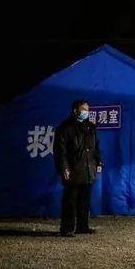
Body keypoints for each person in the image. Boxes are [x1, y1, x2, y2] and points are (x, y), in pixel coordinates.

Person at [53, 100, 103, 237]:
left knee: (84, 200)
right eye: (83, 109)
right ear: (75, 111)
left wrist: (98, 162)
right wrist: (64, 168)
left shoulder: (91, 127)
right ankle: (67, 228)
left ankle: (83, 226)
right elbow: (60, 151)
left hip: (88, 169)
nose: (86, 112)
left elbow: (96, 148)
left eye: (87, 110)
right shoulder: (65, 128)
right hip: (73, 170)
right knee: (70, 200)